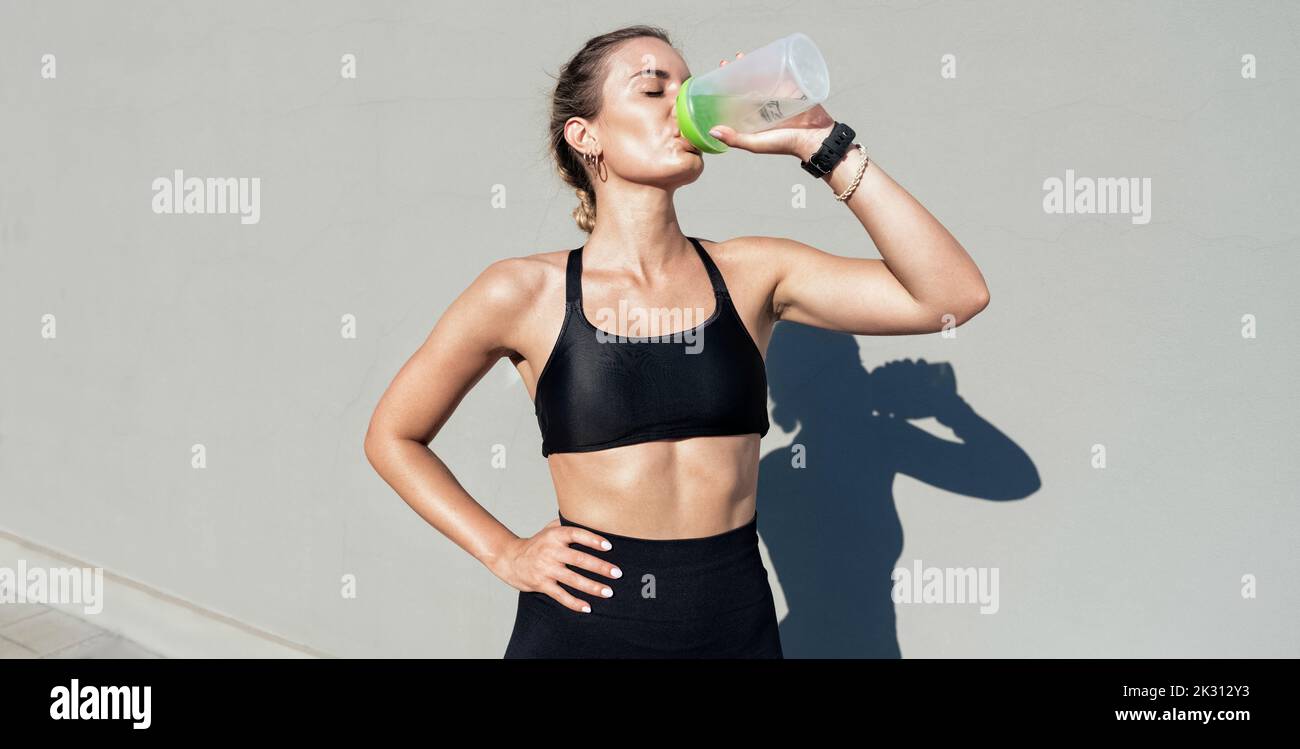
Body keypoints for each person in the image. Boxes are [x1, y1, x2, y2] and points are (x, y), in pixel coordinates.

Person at [363, 24, 990, 658]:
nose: (683, 106)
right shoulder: (523, 291)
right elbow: (393, 436)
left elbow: (950, 296)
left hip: (733, 628)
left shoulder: (754, 272)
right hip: (584, 629)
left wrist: (821, 143)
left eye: (690, 89)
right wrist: (504, 552)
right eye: (653, 90)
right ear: (587, 136)